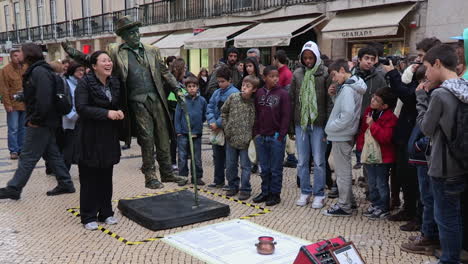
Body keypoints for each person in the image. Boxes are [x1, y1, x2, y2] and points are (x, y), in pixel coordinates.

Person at [62, 16, 186, 189]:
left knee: (163, 136)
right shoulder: (116, 51)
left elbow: (165, 73)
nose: (136, 34)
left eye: (137, 31)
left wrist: (178, 90)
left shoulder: (152, 50)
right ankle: (150, 175)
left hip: (156, 99)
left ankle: (167, 172)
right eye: (131, 32)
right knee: (147, 137)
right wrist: (72, 52)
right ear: (124, 35)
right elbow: (93, 59)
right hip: (136, 101)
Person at [0, 43, 76, 200]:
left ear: (28, 54)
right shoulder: (38, 70)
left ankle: (14, 188)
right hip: (46, 121)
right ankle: (66, 182)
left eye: (20, 51)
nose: (17, 54)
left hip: (41, 122)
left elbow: (44, 99)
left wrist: (35, 120)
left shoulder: (39, 71)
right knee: (52, 154)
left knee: (27, 156)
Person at [416, 44, 468, 264]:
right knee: (457, 215)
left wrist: (421, 99)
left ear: (438, 64)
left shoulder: (439, 94)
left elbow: (426, 128)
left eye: (427, 67)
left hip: (443, 166)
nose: (426, 73)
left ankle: (449, 259)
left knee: (445, 217)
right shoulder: (464, 87)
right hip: (462, 162)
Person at [384, 37, 441, 230]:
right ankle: (408, 209)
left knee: (418, 181)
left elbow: (409, 97)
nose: (418, 60)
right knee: (403, 175)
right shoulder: (415, 72)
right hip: (405, 132)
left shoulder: (433, 81)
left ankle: (420, 218)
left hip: (418, 135)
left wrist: (393, 74)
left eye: (421, 56)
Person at [74, 50, 123, 230]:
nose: (108, 63)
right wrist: (106, 113)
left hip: (108, 135)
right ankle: (88, 216)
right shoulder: (85, 84)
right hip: (89, 135)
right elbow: (82, 108)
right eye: (104, 61)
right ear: (94, 66)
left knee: (106, 176)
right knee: (89, 178)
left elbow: (117, 103)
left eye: (109, 60)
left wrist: (119, 111)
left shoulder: (114, 83)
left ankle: (106, 212)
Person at [400, 66, 440, 256]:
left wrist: (418, 145)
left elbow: (428, 127)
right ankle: (427, 232)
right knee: (426, 197)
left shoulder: (435, 96)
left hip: (426, 155)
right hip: (422, 156)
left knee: (429, 198)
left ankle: (428, 236)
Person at [289, 41, 330, 209]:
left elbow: (329, 102)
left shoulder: (325, 73)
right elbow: (292, 99)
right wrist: (291, 126)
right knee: (302, 160)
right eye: (305, 58)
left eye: (311, 57)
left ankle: (319, 193)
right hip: (301, 123)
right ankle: (305, 191)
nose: (308, 61)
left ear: (316, 56)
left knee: (319, 161)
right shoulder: (297, 74)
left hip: (319, 123)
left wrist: (328, 126)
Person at [323, 59, 367, 217]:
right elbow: (345, 109)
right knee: (344, 170)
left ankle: (344, 205)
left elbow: (347, 114)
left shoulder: (348, 88)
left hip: (342, 133)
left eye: (334, 75)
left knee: (342, 172)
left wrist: (329, 127)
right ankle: (349, 202)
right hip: (346, 132)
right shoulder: (354, 84)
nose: (334, 79)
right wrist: (334, 97)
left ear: (342, 70)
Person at [356, 87, 398, 219]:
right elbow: (363, 132)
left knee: (381, 183)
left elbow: (386, 137)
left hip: (383, 157)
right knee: (371, 182)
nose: (372, 100)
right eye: (373, 97)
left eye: (376, 100)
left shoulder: (390, 118)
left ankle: (383, 207)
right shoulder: (369, 112)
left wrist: (373, 125)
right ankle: (375, 203)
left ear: (384, 106)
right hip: (369, 154)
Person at [252, 66, 291, 206]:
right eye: (272, 76)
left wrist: (280, 136)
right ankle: (265, 192)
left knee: (275, 168)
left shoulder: (283, 94)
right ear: (264, 78)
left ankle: (275, 194)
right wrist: (256, 133)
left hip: (276, 137)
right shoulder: (259, 93)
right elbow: (256, 113)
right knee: (265, 168)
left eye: (277, 76)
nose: (275, 78)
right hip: (261, 136)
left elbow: (286, 117)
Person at [222, 75, 259, 201]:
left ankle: (245, 188)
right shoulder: (233, 97)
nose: (244, 88)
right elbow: (224, 111)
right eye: (243, 85)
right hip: (231, 138)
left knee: (245, 166)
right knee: (231, 165)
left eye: (248, 86)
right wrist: (226, 127)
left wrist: (253, 136)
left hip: (246, 141)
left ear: (254, 89)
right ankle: (232, 185)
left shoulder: (254, 103)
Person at [206, 65, 239, 189]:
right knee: (217, 156)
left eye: (222, 81)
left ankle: (232, 182)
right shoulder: (216, 92)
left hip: (228, 131)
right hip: (216, 130)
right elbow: (209, 107)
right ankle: (218, 180)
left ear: (229, 80)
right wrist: (211, 121)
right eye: (218, 81)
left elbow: (230, 112)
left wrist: (218, 123)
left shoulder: (234, 93)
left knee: (230, 159)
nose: (220, 84)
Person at [175, 76, 207, 186]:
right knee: (182, 157)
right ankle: (183, 177)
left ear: (197, 87)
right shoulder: (182, 100)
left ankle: (197, 177)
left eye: (194, 86)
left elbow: (204, 115)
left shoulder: (202, 101)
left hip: (197, 133)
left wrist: (198, 125)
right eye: (189, 87)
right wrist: (178, 130)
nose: (192, 88)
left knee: (196, 157)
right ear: (186, 88)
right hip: (183, 133)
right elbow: (177, 116)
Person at [0, 49, 27, 160]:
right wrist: (7, 104)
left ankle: (21, 149)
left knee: (23, 128)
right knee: (13, 128)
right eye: (15, 56)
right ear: (11, 57)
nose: (18, 58)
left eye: (19, 55)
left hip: (25, 104)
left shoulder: (26, 68)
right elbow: (4, 89)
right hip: (13, 104)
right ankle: (14, 150)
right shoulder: (5, 70)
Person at [61, 62, 85, 170]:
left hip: (80, 119)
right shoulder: (65, 83)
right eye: (79, 70)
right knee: (68, 147)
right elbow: (64, 101)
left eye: (82, 70)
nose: (81, 72)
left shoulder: (81, 83)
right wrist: (72, 115)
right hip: (69, 119)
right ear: (72, 71)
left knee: (79, 146)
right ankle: (64, 172)